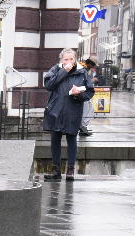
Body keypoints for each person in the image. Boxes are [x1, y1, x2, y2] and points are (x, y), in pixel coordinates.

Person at [43, 48, 95, 182]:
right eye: (66, 59)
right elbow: (49, 85)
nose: (69, 62)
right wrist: (64, 71)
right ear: (61, 60)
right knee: (55, 140)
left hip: (73, 110)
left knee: (72, 139)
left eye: (71, 59)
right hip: (56, 110)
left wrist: (79, 94)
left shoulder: (82, 72)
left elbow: (90, 92)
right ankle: (56, 170)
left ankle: (70, 170)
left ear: (75, 59)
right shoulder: (55, 70)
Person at [79, 57, 98, 136]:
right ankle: (82, 127)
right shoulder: (83, 69)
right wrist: (92, 81)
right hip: (81, 93)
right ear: (90, 63)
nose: (93, 67)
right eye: (93, 65)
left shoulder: (84, 68)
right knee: (87, 110)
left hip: (82, 93)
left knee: (88, 110)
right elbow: (81, 81)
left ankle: (83, 127)